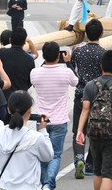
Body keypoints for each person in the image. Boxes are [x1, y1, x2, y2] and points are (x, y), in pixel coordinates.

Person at [76, 50, 112, 190]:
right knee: (108, 174)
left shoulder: (90, 85)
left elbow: (85, 109)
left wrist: (80, 131)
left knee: (97, 171)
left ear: (101, 66)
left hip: (94, 132)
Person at [30, 41, 78, 190]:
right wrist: (68, 63)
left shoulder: (35, 72)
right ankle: (48, 184)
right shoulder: (66, 72)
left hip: (42, 120)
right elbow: (76, 82)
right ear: (59, 55)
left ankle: (45, 183)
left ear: (43, 56)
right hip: (59, 120)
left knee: (42, 155)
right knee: (55, 155)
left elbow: (34, 83)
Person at [0, 90, 53, 190]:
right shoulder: (35, 137)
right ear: (30, 110)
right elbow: (48, 156)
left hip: (3, 186)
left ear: (8, 110)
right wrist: (43, 130)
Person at [71, 18, 106, 178]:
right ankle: (91, 163)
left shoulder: (78, 51)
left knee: (79, 130)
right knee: (96, 131)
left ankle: (79, 158)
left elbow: (74, 71)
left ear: (86, 34)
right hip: (98, 96)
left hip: (81, 94)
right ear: (101, 33)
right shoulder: (104, 53)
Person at [0, 28, 35, 99]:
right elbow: (30, 81)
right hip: (21, 97)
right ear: (24, 42)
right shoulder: (29, 59)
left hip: (4, 97)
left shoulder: (1, 53)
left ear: (10, 40)